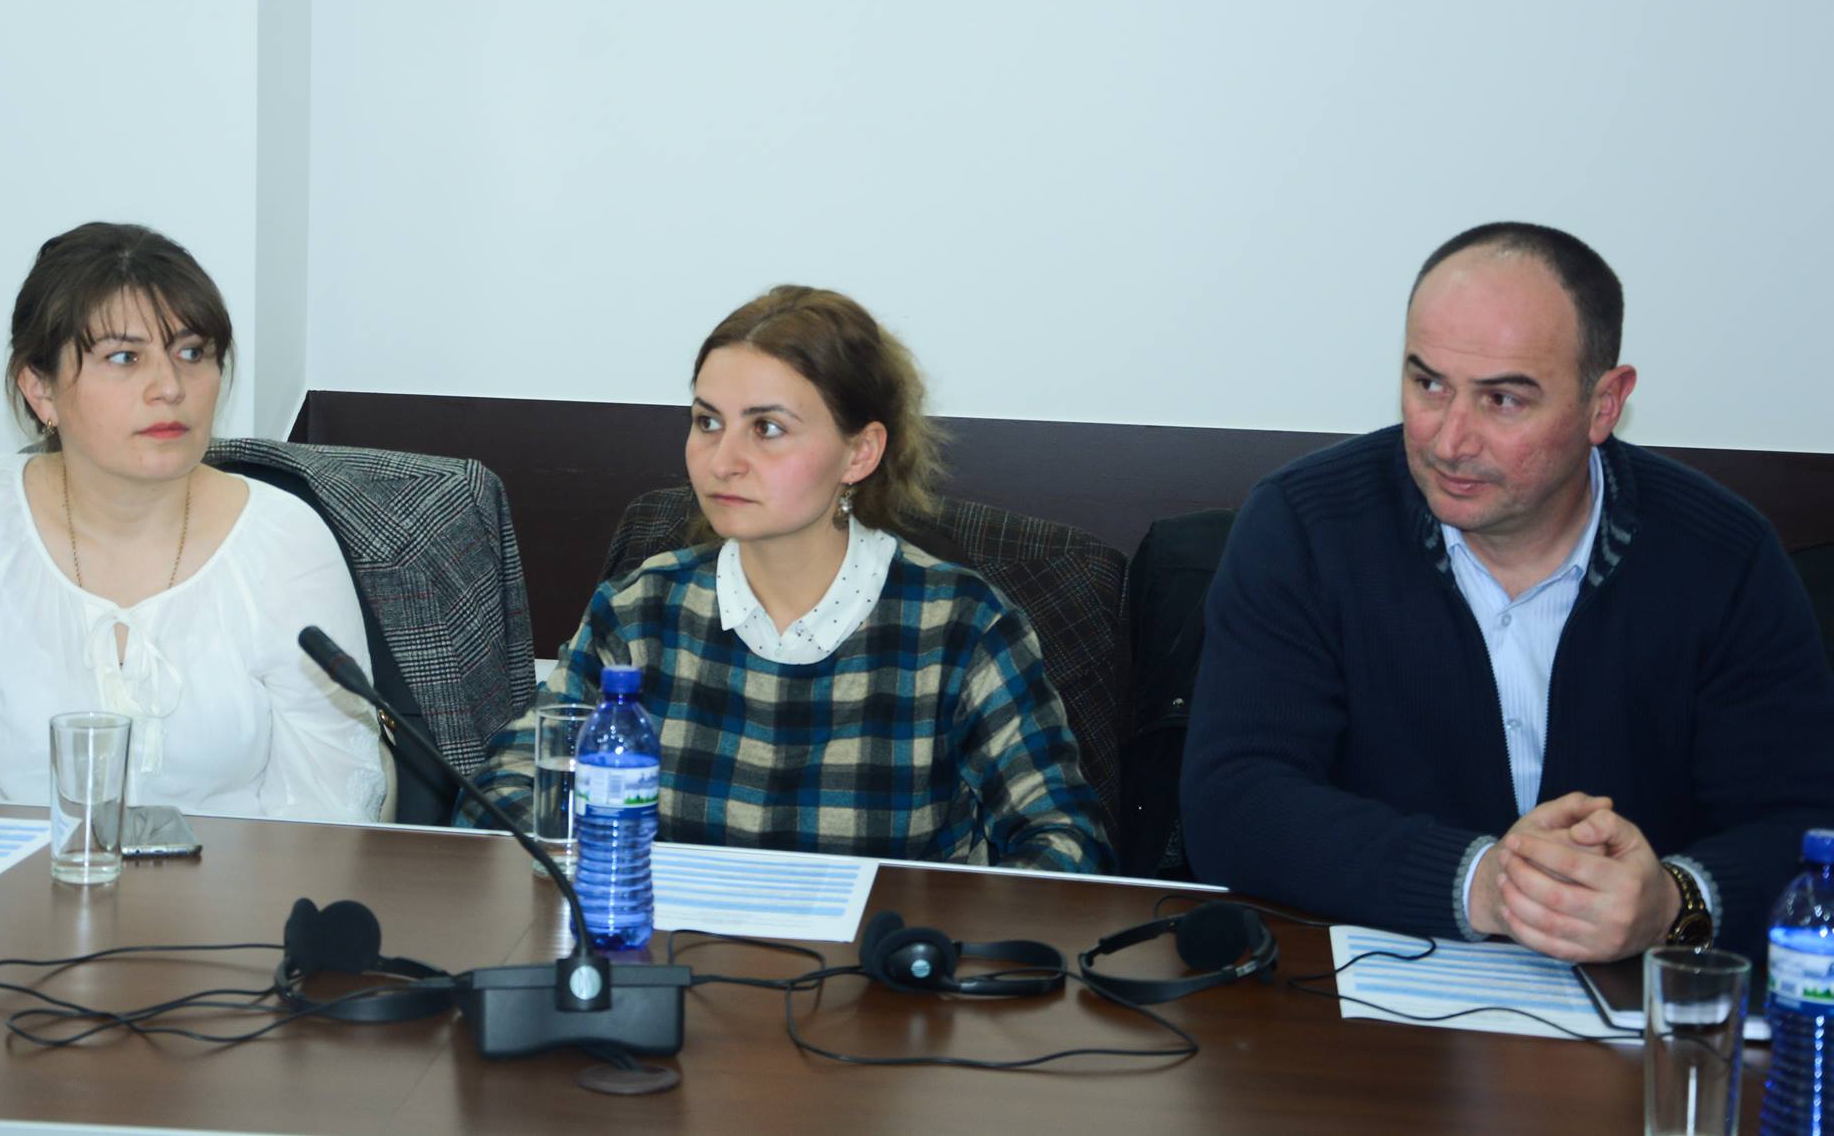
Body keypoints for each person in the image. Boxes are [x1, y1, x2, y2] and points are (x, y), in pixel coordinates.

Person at [1179, 223, 1834, 961]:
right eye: (1429, 384)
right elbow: (1235, 800)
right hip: (1364, 993)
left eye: (1503, 400)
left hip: (1637, 1002)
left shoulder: (1722, 556)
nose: (1449, 440)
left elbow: (1803, 824)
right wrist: (1480, 883)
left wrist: (1671, 902)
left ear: (1604, 404)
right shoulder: (1305, 526)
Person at [465, 285, 1110, 873]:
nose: (723, 461)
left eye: (767, 429)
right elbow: (503, 792)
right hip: (669, 950)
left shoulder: (961, 625)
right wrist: (608, 874)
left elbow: (1065, 843)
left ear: (860, 452)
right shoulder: (640, 609)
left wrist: (945, 942)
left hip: (881, 962)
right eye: (707, 422)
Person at [0, 222, 389, 822]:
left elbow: (328, 813)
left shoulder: (286, 544)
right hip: (9, 878)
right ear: (40, 389)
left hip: (242, 882)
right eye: (124, 357)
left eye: (192, 353)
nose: (170, 387)